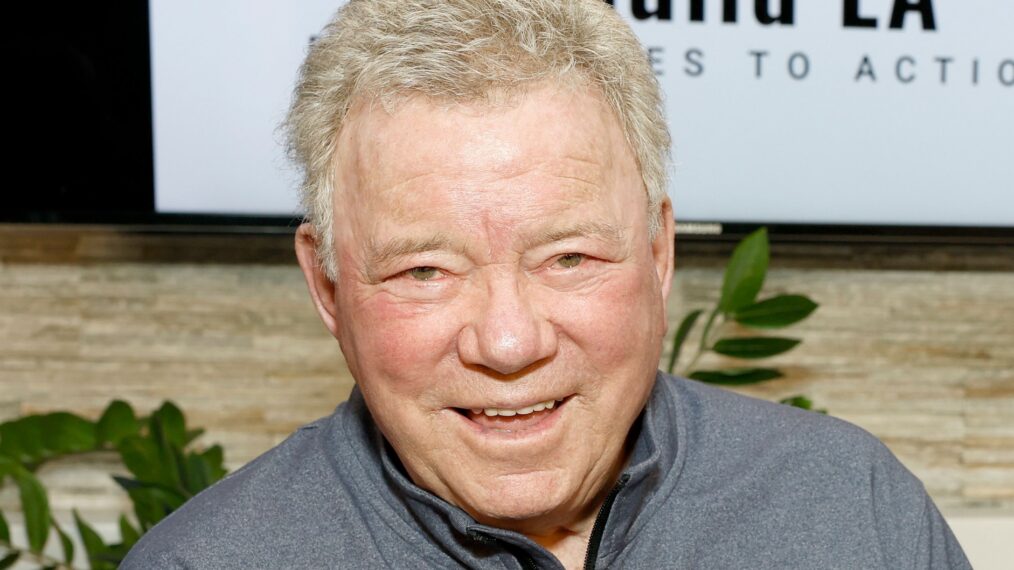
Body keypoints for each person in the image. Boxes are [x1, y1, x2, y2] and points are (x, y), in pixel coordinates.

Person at [122, 0, 970, 568]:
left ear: (658, 251)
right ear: (329, 286)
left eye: (568, 258)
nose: (508, 342)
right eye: (425, 270)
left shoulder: (853, 507)